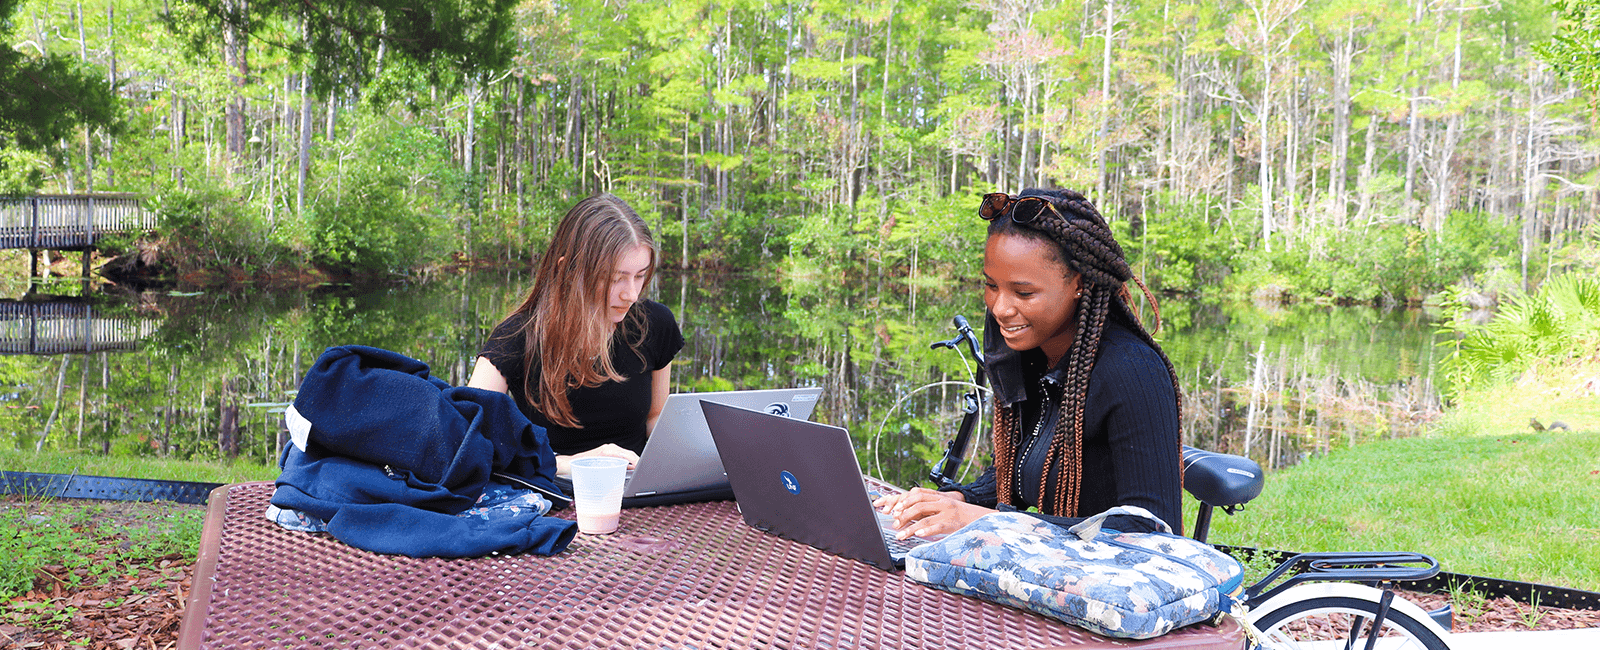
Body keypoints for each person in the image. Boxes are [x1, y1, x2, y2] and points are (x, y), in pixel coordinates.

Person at [876, 188, 1184, 537]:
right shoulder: (1025, 349)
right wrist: (956, 500)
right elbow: (1018, 468)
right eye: (991, 285)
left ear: (1078, 284)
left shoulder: (1132, 371)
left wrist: (981, 521)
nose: (1000, 308)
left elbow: (1151, 533)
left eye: (1023, 293)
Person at [468, 194, 684, 477]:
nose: (631, 294)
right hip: (556, 492)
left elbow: (655, 417)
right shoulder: (518, 336)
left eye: (640, 275)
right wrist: (575, 463)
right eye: (615, 278)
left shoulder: (655, 324)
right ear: (568, 271)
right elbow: (466, 436)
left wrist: (685, 452)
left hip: (638, 490)